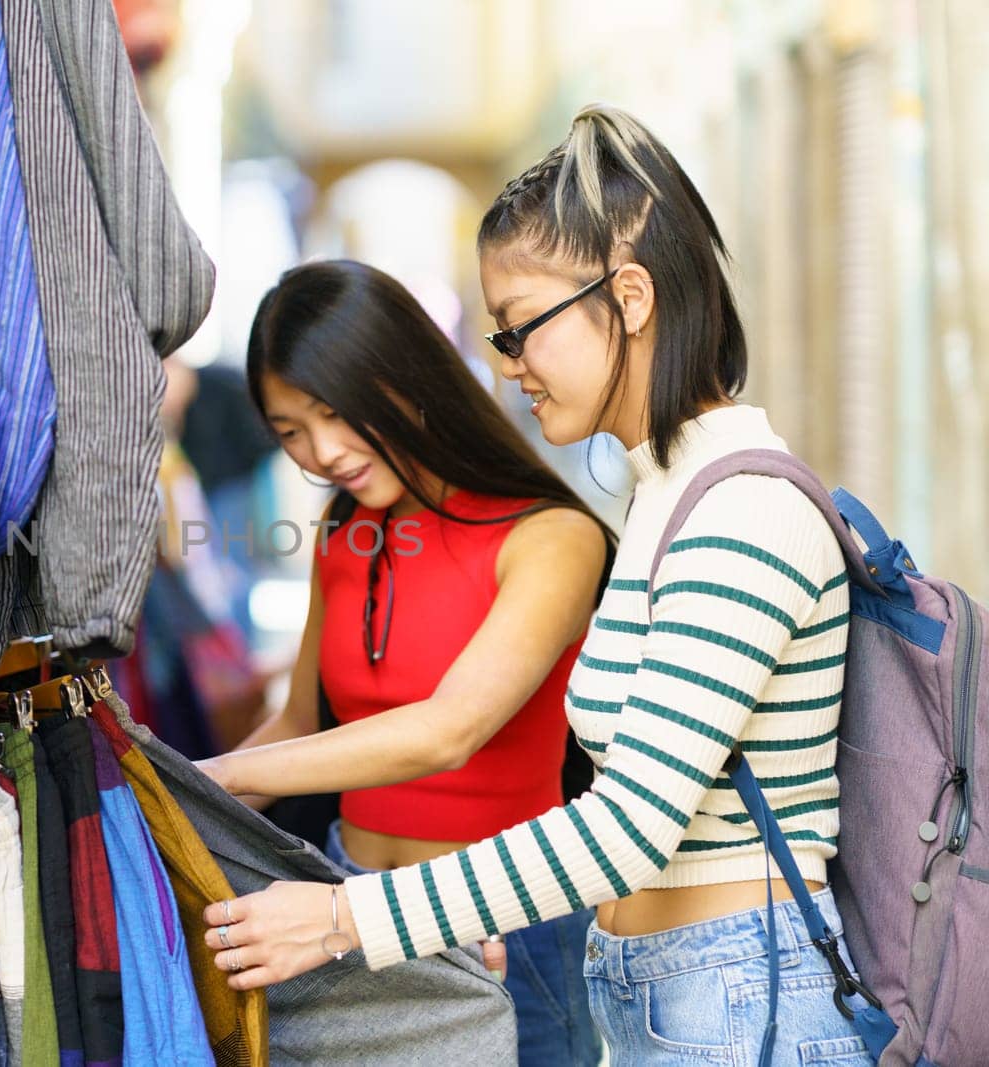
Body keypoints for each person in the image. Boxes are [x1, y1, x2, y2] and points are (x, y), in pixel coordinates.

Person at [201, 104, 872, 1064]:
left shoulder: (743, 511)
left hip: (741, 1004)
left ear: (630, 297)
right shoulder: (666, 498)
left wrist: (351, 915)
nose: (507, 366)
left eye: (519, 330)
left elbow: (630, 827)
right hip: (671, 991)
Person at [195, 257, 613, 1066]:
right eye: (289, 431)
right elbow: (296, 721)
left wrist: (223, 775)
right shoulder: (342, 533)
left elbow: (448, 730)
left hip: (506, 920)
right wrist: (167, 790)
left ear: (403, 378)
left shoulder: (553, 536)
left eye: (332, 412)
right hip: (346, 907)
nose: (320, 452)